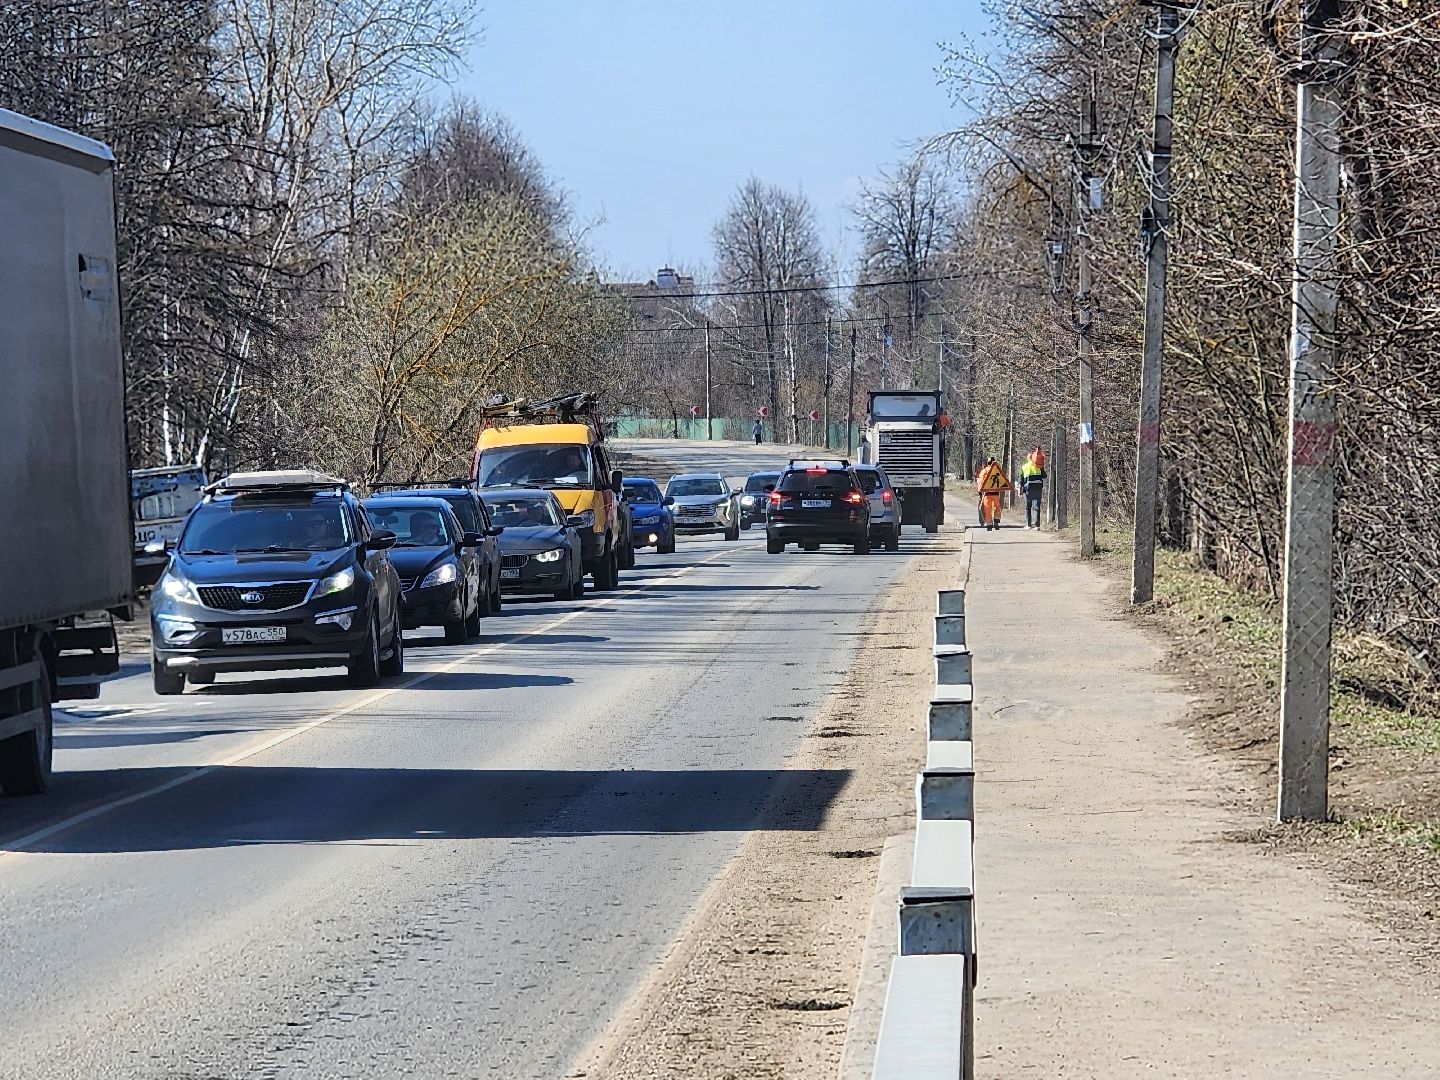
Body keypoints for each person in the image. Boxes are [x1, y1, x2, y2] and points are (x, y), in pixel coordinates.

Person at [976, 456, 1010, 531]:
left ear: (987, 463)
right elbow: (1001, 481)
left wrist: (980, 493)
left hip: (987, 494)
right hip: (996, 493)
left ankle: (989, 525)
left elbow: (980, 483)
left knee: (987, 509)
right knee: (997, 507)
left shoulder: (984, 471)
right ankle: (997, 521)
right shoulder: (997, 470)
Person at [1020, 446, 1046, 530]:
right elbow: (1044, 476)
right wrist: (1042, 468)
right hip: (1038, 488)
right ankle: (1037, 526)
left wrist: (1020, 490)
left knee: (1028, 507)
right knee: (1037, 507)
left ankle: (1028, 525)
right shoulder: (1038, 466)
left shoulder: (1024, 467)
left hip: (1028, 489)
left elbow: (1021, 480)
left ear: (1028, 459)